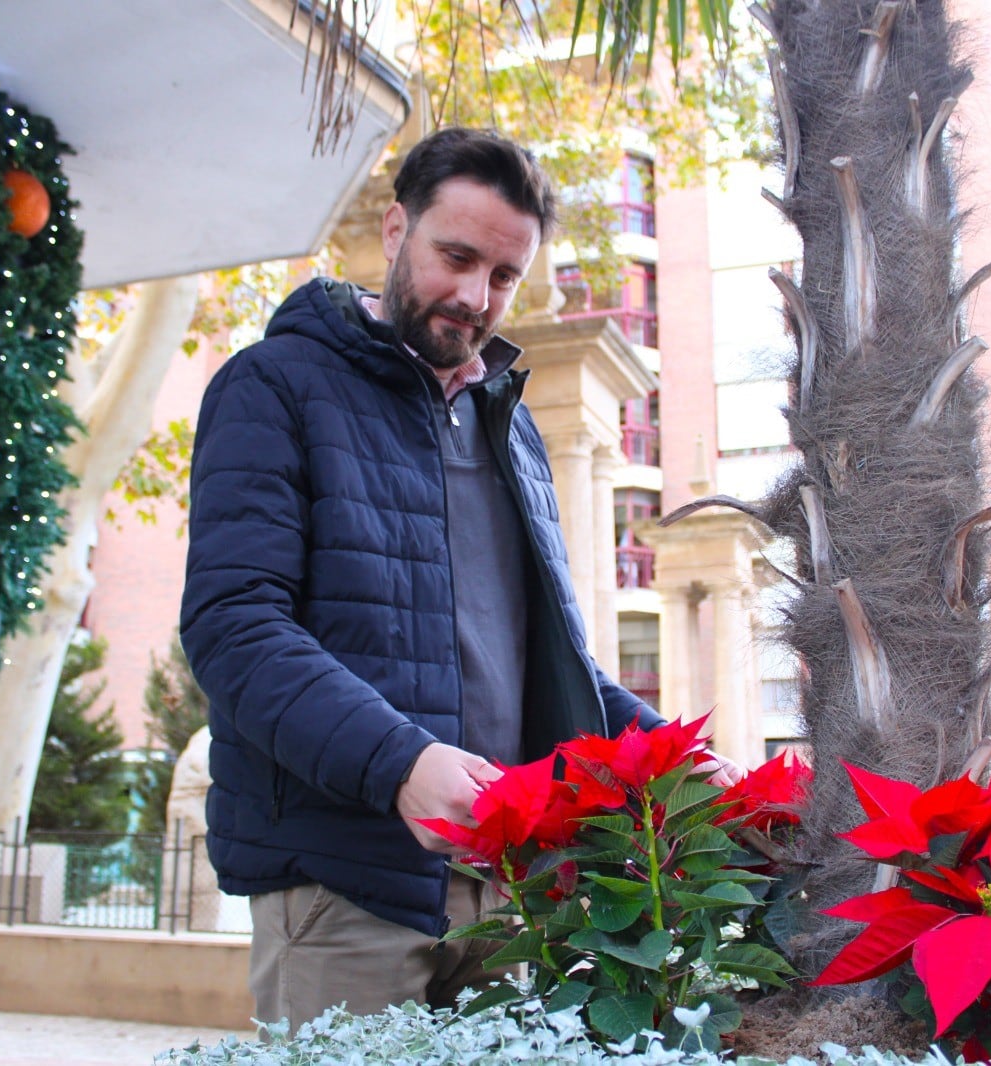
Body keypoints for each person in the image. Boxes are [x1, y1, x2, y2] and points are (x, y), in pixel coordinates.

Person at [180, 128, 735, 1029]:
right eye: (457, 256)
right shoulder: (269, 387)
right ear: (396, 230)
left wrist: (684, 767)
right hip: (341, 894)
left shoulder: (510, 427)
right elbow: (234, 630)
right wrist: (401, 763)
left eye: (504, 276)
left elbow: (548, 663)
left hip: (514, 895)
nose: (476, 297)